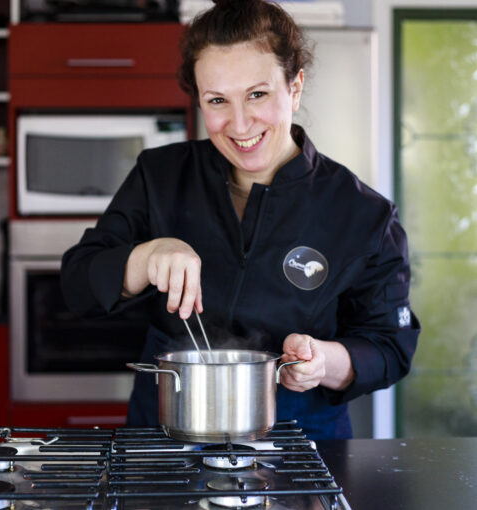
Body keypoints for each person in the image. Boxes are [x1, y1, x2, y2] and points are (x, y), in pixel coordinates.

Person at [61, 0, 420, 439]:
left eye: (257, 94)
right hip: (166, 426)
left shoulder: (363, 213)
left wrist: (323, 361)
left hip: (299, 432)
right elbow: (77, 284)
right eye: (218, 100)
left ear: (295, 87)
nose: (240, 123)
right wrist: (146, 257)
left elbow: (390, 348)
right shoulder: (160, 175)